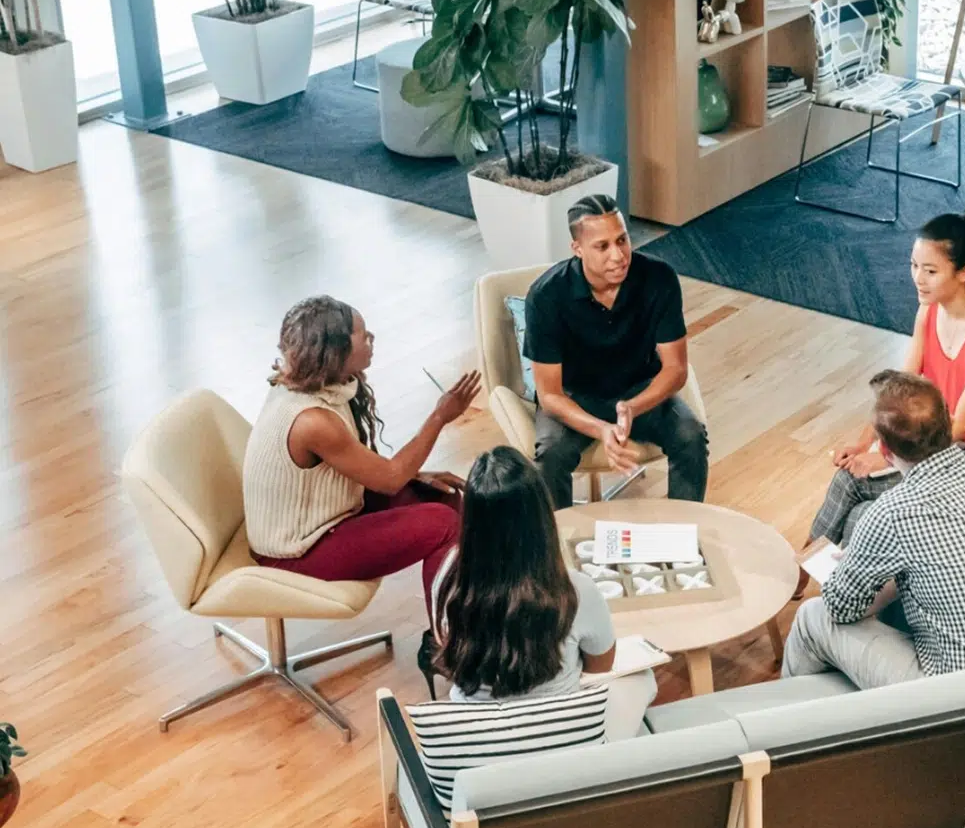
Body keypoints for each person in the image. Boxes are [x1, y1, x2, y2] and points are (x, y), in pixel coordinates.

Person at [782, 371, 965, 689]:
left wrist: (856, 568)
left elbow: (841, 608)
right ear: (949, 423)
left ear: (885, 452)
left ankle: (785, 728)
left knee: (812, 618)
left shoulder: (893, 513)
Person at [798, 206, 965, 593]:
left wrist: (888, 456)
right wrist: (864, 442)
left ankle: (848, 600)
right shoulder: (929, 310)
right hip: (931, 442)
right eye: (914, 266)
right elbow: (900, 391)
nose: (918, 280)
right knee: (846, 480)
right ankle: (800, 572)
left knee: (867, 517)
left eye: (931, 271)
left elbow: (959, 427)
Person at [242, 296, 481, 631]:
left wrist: (417, 475)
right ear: (334, 349)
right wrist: (440, 416)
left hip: (326, 514)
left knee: (443, 496)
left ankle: (468, 628)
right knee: (442, 524)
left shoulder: (320, 386)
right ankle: (452, 652)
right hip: (295, 552)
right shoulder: (312, 420)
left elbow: (363, 467)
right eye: (362, 334)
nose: (371, 339)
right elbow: (391, 479)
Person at [432, 446, 656, 740]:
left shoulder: (449, 578)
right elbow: (601, 665)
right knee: (642, 678)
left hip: (478, 738)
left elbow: (445, 640)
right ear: (541, 518)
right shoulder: (575, 590)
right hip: (560, 741)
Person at [524, 193, 709, 509]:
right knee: (552, 453)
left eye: (622, 240)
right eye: (602, 246)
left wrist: (633, 407)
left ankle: (682, 533)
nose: (619, 255)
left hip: (640, 389)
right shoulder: (546, 296)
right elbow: (550, 394)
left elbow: (676, 369)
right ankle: (556, 545)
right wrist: (602, 428)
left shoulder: (659, 278)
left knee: (691, 437)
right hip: (574, 397)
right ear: (577, 249)